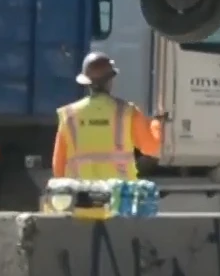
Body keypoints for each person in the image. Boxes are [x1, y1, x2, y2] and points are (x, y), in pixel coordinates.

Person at [53, 52, 163, 180]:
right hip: (119, 196)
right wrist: (157, 124)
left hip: (82, 195)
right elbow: (151, 147)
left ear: (86, 82)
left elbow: (58, 167)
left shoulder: (69, 115)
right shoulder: (127, 112)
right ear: (110, 81)